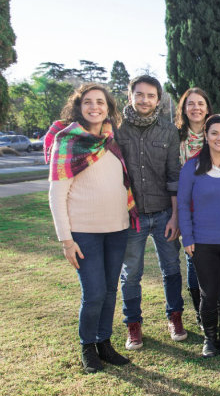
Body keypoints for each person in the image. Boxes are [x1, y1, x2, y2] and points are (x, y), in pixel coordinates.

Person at [46, 83, 135, 373]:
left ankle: (104, 342)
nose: (94, 106)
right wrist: (66, 240)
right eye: (88, 102)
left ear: (108, 107)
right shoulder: (67, 140)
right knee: (94, 292)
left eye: (100, 102)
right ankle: (88, 346)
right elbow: (56, 194)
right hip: (84, 233)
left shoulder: (112, 139)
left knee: (110, 290)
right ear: (79, 107)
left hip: (118, 228)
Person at [115, 75, 186, 350]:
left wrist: (175, 216)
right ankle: (133, 324)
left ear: (159, 99)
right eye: (140, 94)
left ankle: (175, 317)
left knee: (171, 269)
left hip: (163, 213)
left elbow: (173, 175)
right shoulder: (117, 130)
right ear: (130, 96)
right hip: (131, 214)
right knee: (131, 273)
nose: (145, 100)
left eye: (151, 95)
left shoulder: (168, 130)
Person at [177, 114, 220, 358]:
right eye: (215, 133)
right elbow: (184, 205)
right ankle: (210, 338)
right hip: (203, 241)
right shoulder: (192, 167)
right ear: (206, 136)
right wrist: (187, 237)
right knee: (209, 293)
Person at [174, 87, 212, 330]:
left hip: (215, 206)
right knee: (193, 258)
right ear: (184, 108)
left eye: (200, 103)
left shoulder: (216, 133)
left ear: (207, 107)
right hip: (187, 205)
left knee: (215, 258)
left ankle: (215, 306)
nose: (196, 108)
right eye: (191, 104)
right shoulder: (175, 137)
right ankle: (200, 311)